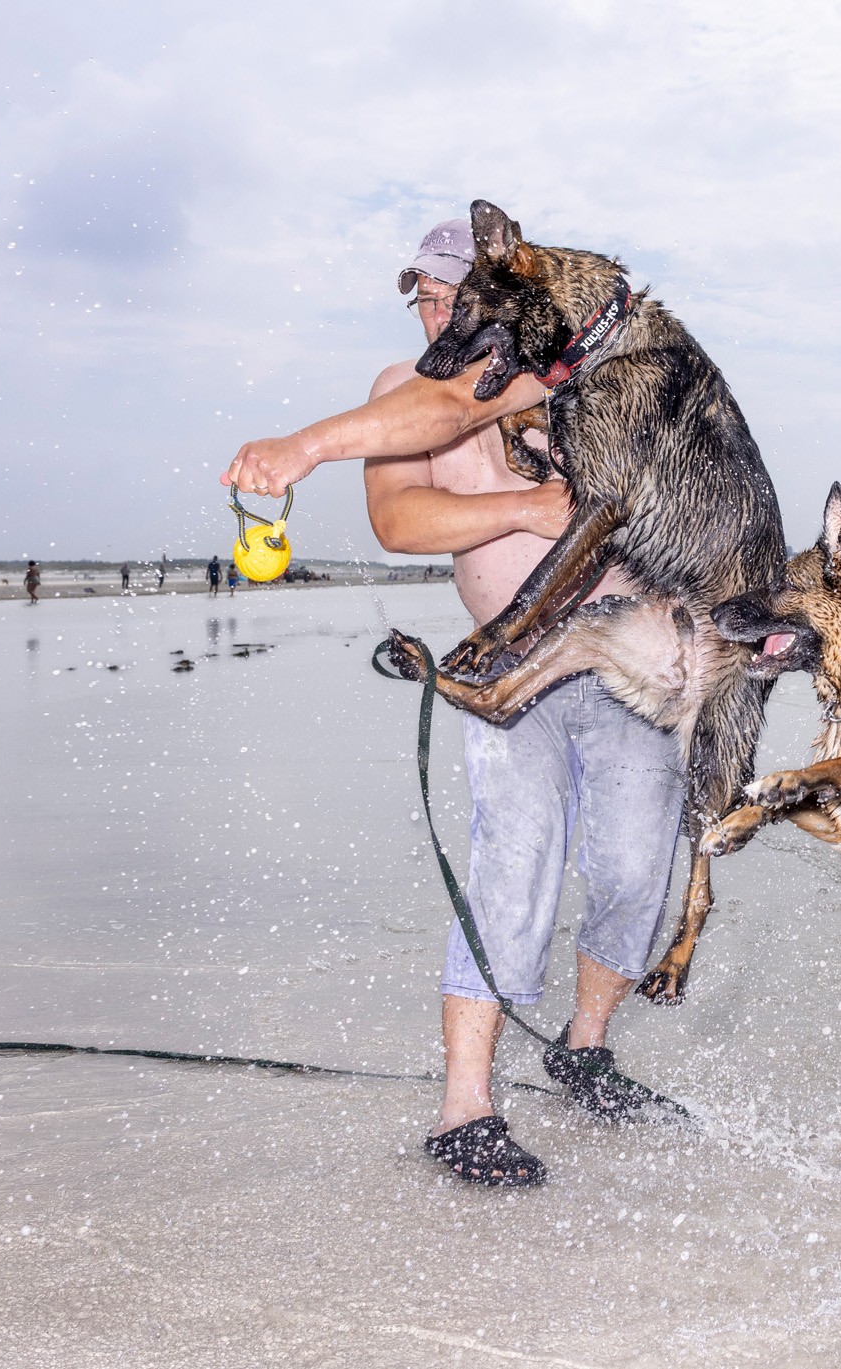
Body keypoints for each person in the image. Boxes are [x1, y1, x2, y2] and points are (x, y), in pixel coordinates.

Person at [222, 218, 683, 1188]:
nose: (437, 310)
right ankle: (463, 1107)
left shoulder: (565, 369)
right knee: (512, 866)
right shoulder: (402, 393)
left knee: (639, 870)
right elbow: (396, 519)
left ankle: (584, 1045)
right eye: (423, 296)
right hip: (509, 662)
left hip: (632, 654)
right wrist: (519, 507)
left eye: (452, 294)